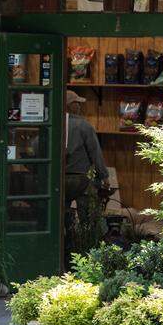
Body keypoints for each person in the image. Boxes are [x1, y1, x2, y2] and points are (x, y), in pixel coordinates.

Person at [64, 90, 109, 255]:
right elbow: (95, 153)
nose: (79, 106)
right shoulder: (84, 126)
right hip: (81, 180)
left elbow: (36, 145)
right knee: (88, 217)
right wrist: (104, 176)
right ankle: (88, 248)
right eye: (77, 103)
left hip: (57, 180)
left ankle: (66, 244)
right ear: (70, 105)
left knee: (61, 216)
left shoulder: (53, 123)